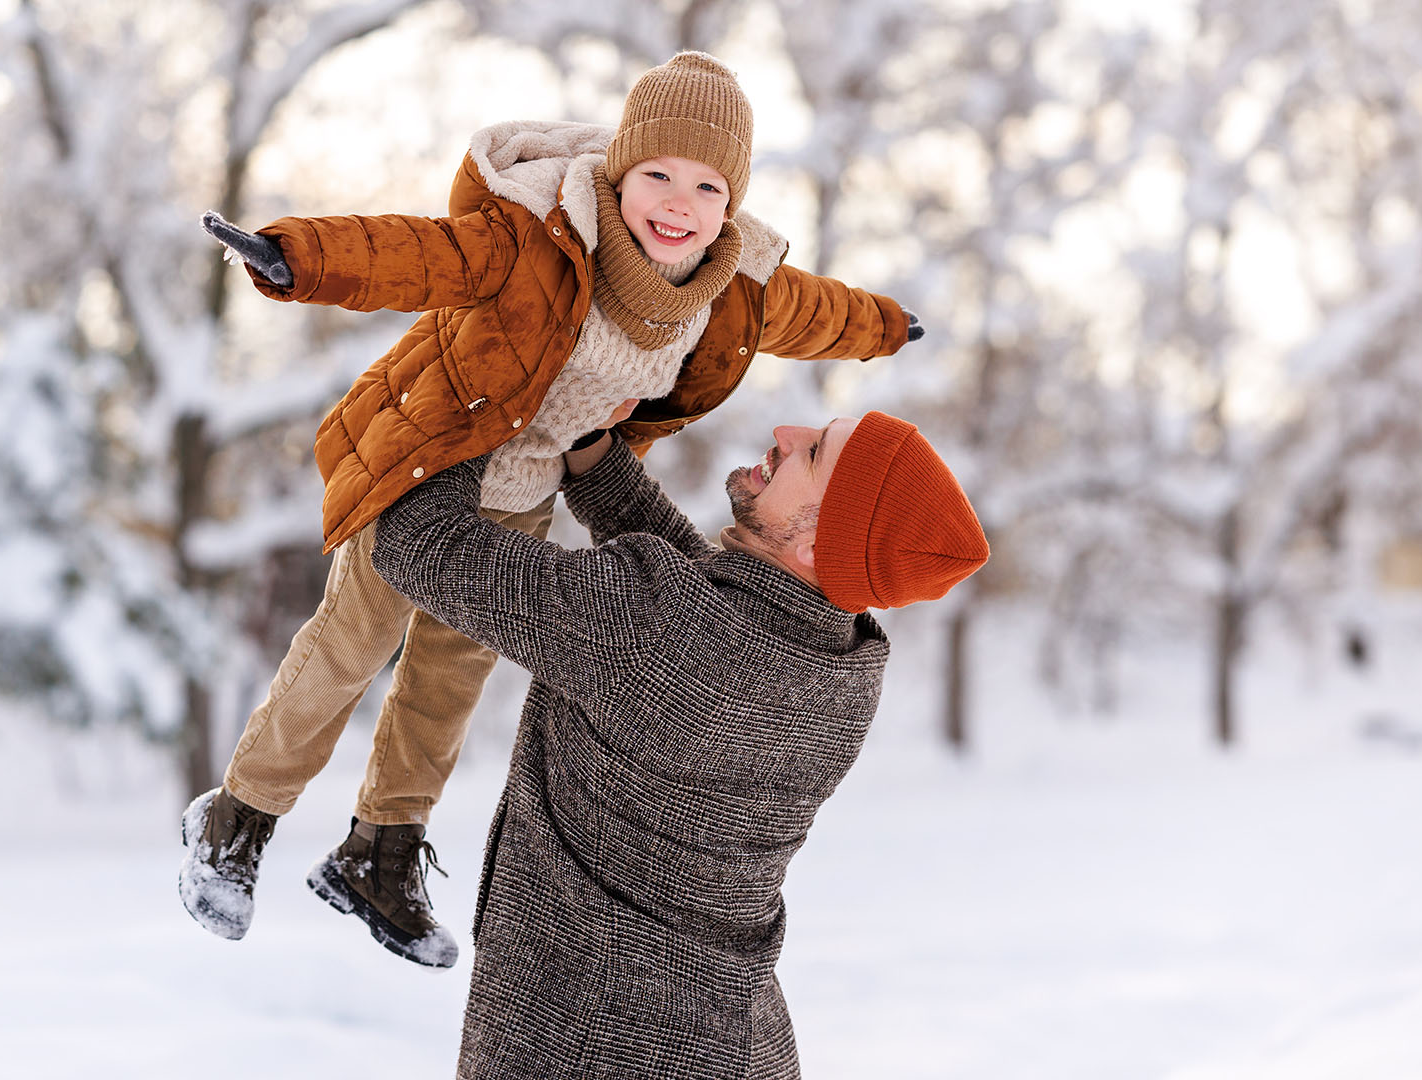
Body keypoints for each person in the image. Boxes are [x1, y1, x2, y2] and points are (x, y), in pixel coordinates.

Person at [179, 51, 923, 967]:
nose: (677, 202)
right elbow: (418, 254)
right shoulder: (539, 236)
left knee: (447, 683)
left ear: (731, 202)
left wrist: (885, 324)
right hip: (432, 459)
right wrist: (299, 257)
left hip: (524, 493)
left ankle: (381, 852)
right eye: (656, 173)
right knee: (350, 646)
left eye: (706, 183)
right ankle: (236, 819)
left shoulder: (731, 291)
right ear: (619, 171)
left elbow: (815, 313)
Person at [368, 411, 988, 1078]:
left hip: (586, 1044)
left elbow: (418, 543)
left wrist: (475, 405)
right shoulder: (844, 668)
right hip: (732, 1043)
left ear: (816, 542)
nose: (786, 431)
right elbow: (695, 605)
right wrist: (593, 453)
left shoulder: (656, 627)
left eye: (812, 454)